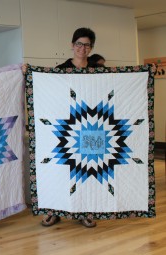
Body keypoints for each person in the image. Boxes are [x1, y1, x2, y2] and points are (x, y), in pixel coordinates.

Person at [42, 27, 101, 229]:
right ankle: (55, 211)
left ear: (91, 48)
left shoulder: (98, 71)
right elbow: (49, 95)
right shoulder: (60, 70)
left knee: (87, 172)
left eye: (86, 45)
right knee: (61, 171)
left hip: (91, 128)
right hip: (65, 128)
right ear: (72, 45)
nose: (82, 48)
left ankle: (85, 212)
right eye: (79, 44)